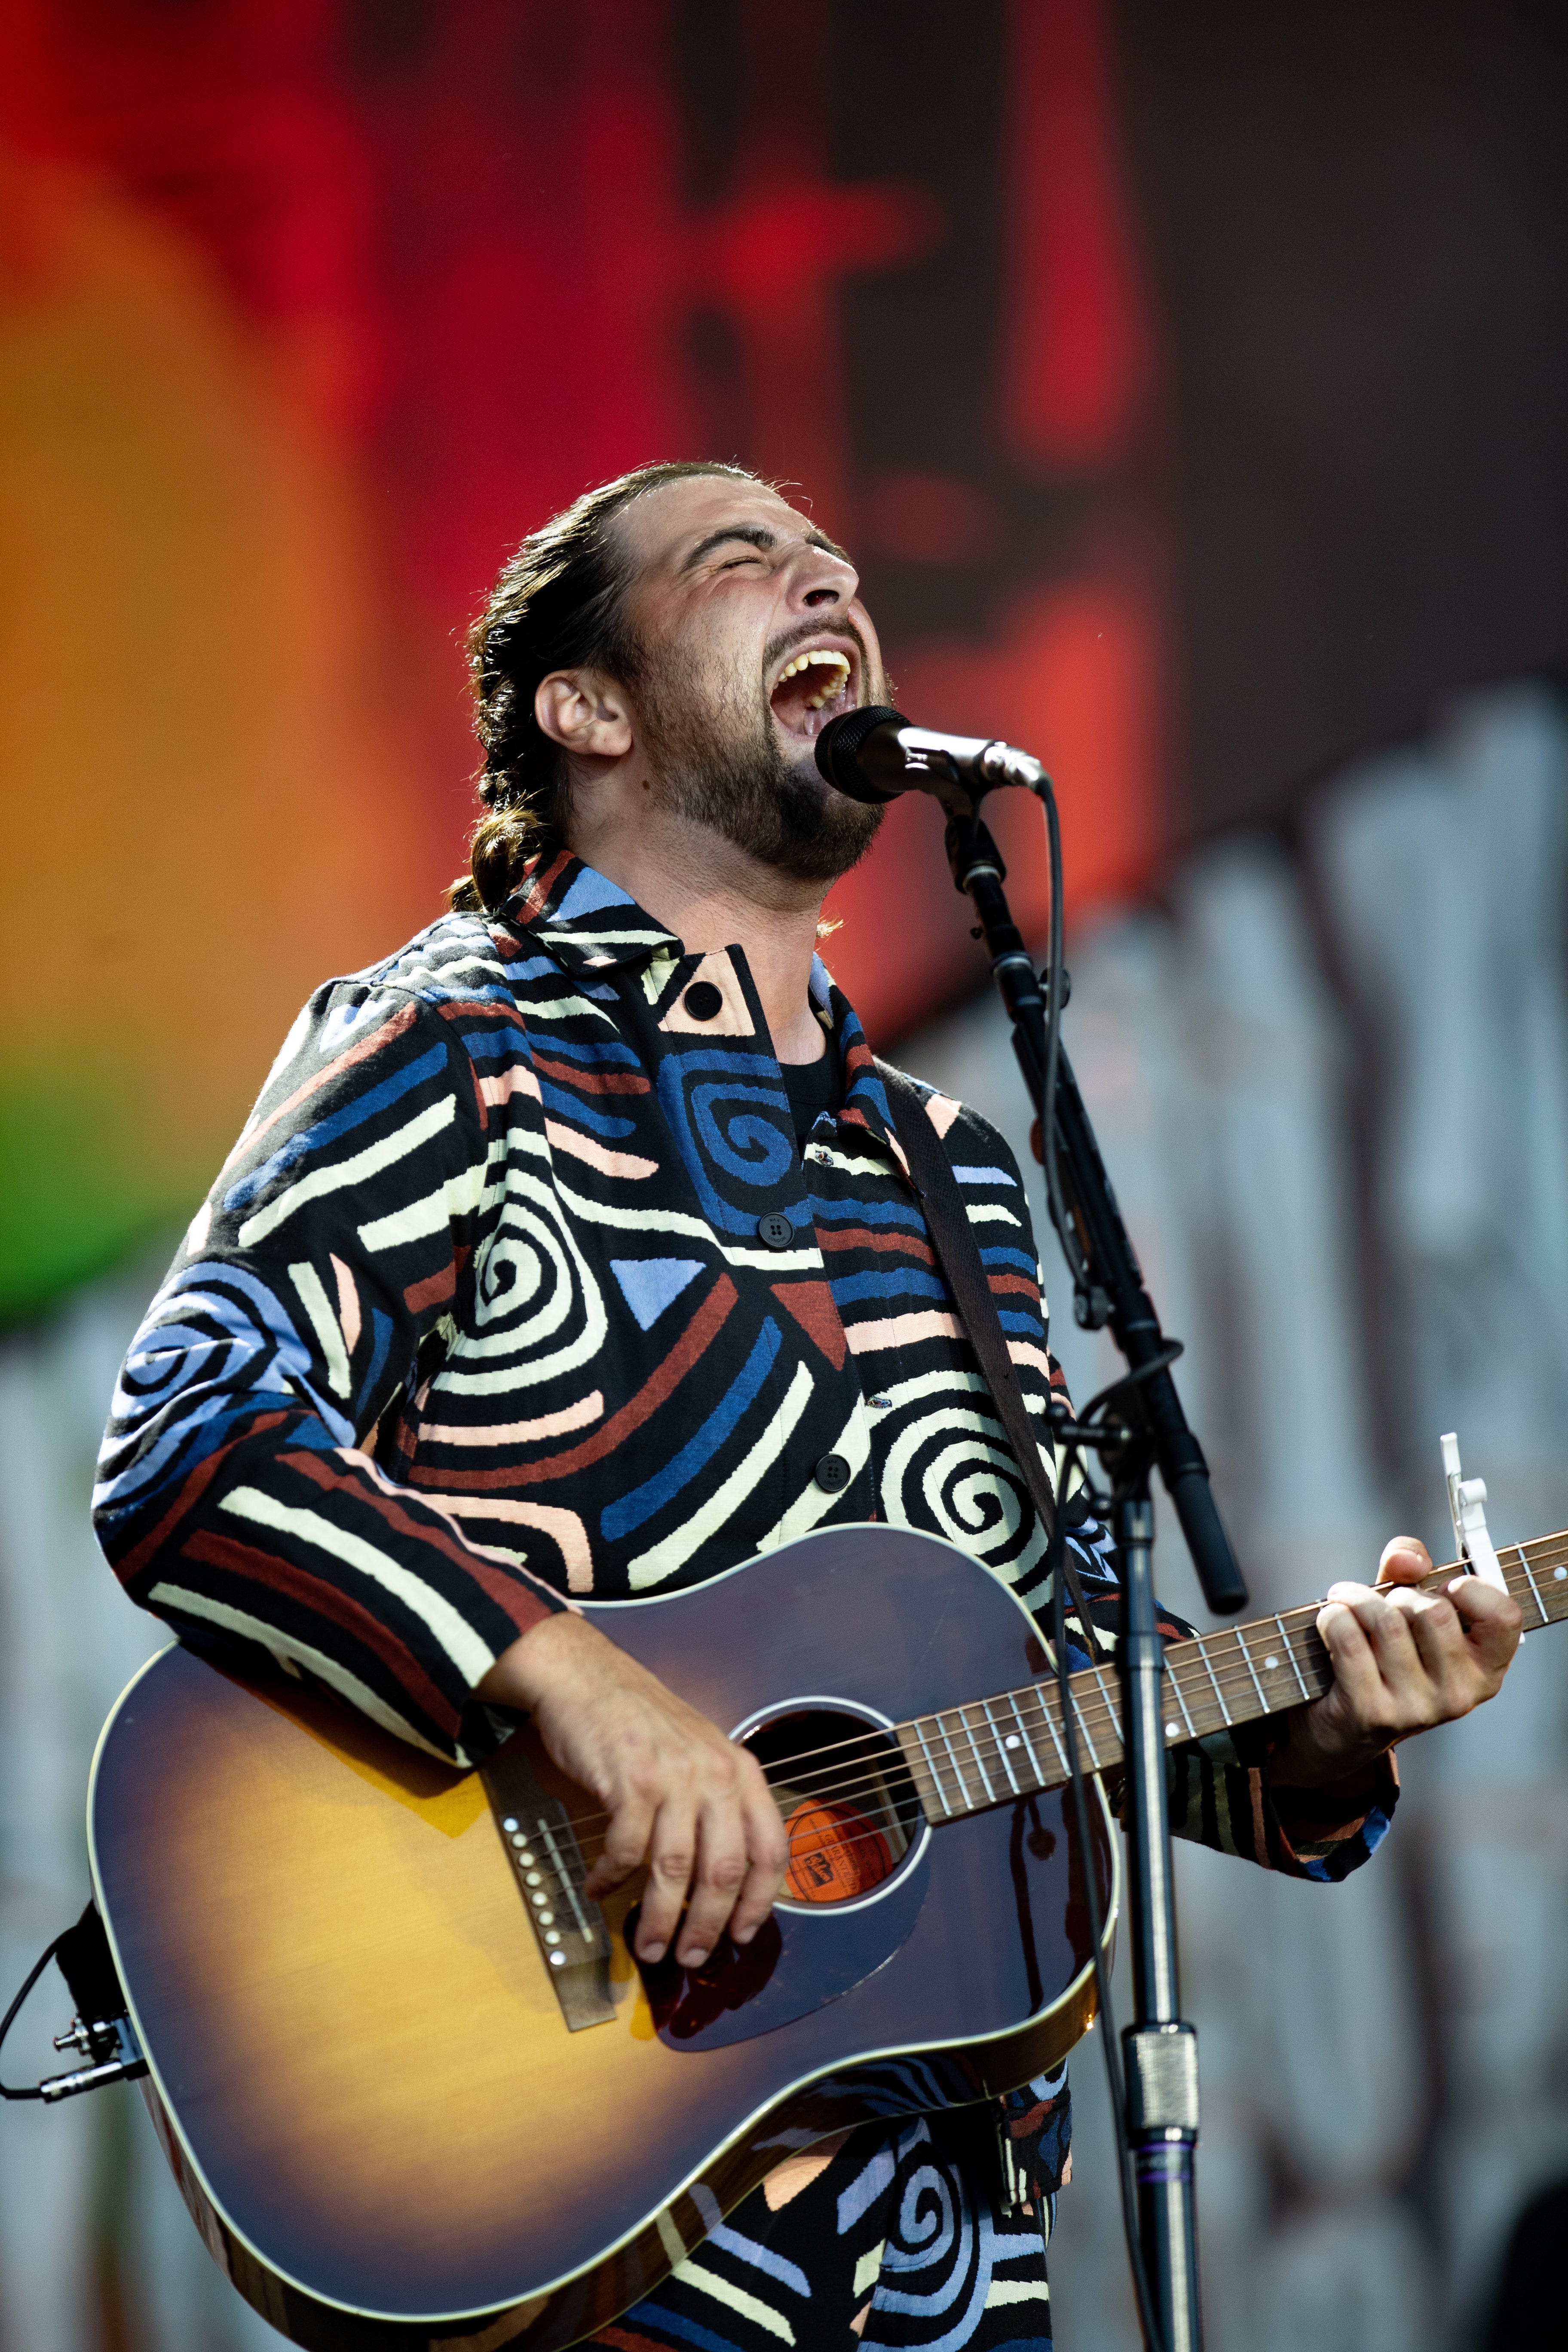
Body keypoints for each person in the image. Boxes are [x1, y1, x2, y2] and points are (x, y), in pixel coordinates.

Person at [95, 459, 1521, 2350]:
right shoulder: (453, 1043)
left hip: (938, 2247)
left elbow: (1038, 1677)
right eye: (740, 558)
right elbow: (192, 1432)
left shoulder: (948, 1172)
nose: (822, 577)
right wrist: (572, 1679)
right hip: (588, 2224)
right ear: (585, 709)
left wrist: (1325, 1736)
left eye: (833, 562)